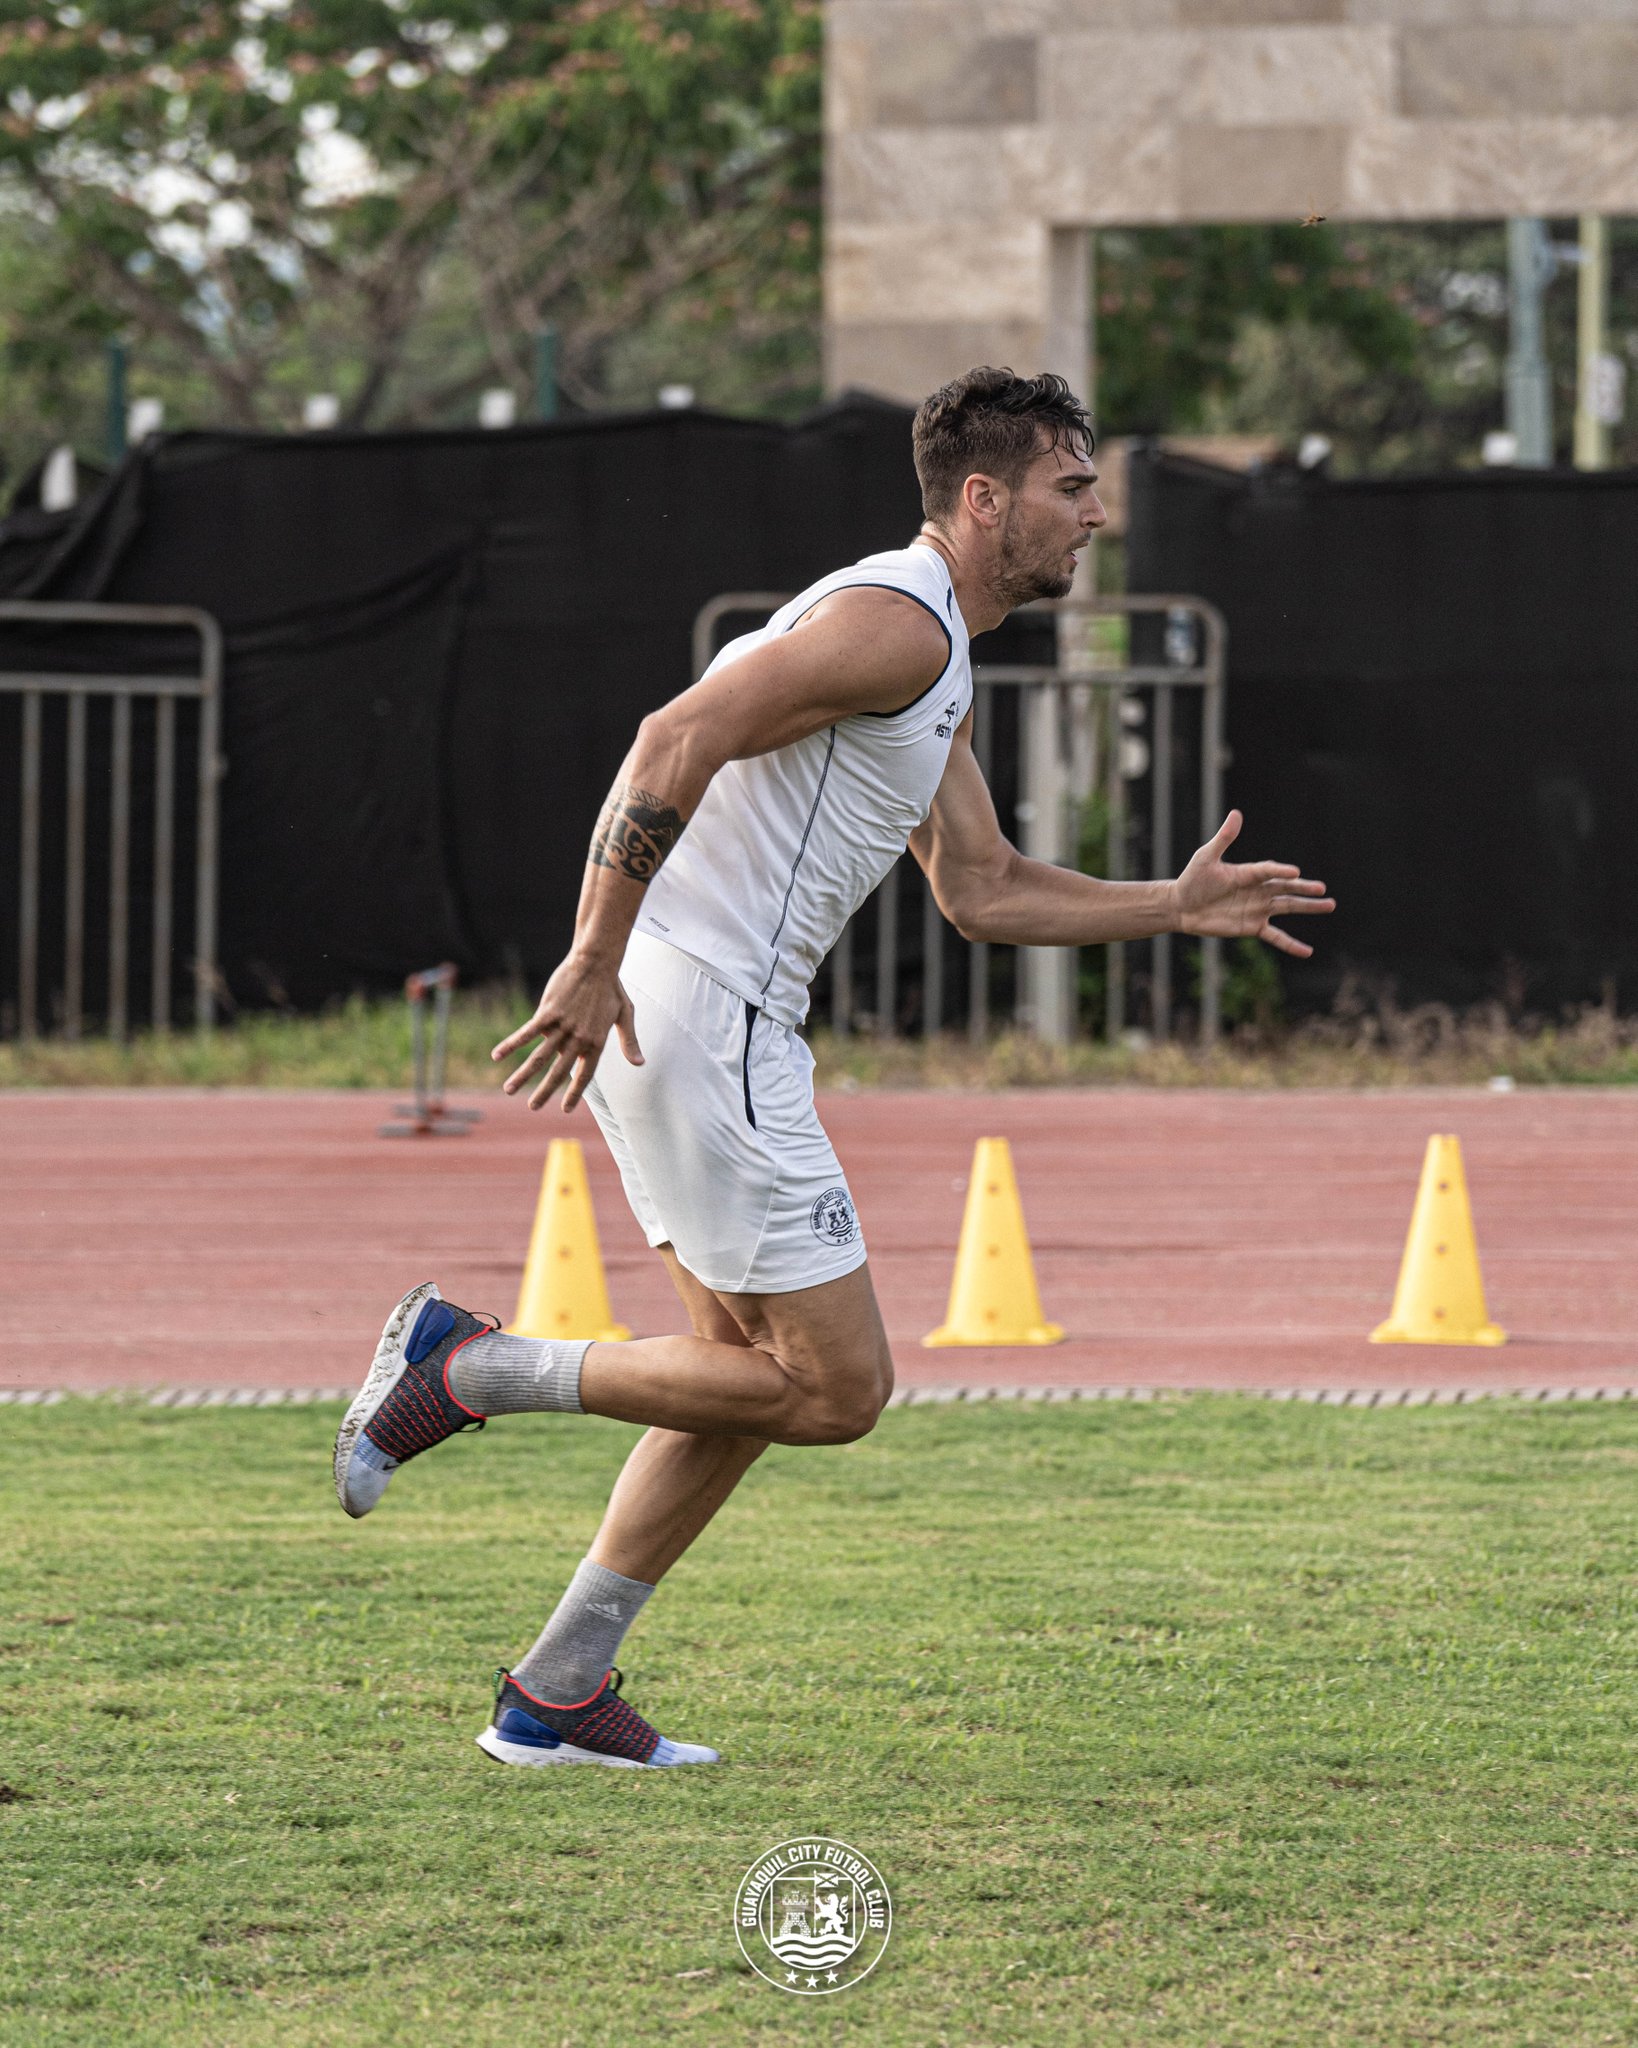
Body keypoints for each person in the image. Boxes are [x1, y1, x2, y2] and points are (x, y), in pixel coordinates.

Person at [333, 366, 1335, 1770]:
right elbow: (671, 735)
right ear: (983, 501)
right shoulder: (894, 627)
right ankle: (475, 1367)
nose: (1095, 515)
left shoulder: (930, 644)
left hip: (693, 1020)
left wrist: (1165, 906)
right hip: (703, 1018)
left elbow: (980, 889)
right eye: (1071, 486)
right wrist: (589, 953)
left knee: (734, 1377)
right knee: (835, 1392)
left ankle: (556, 1690)